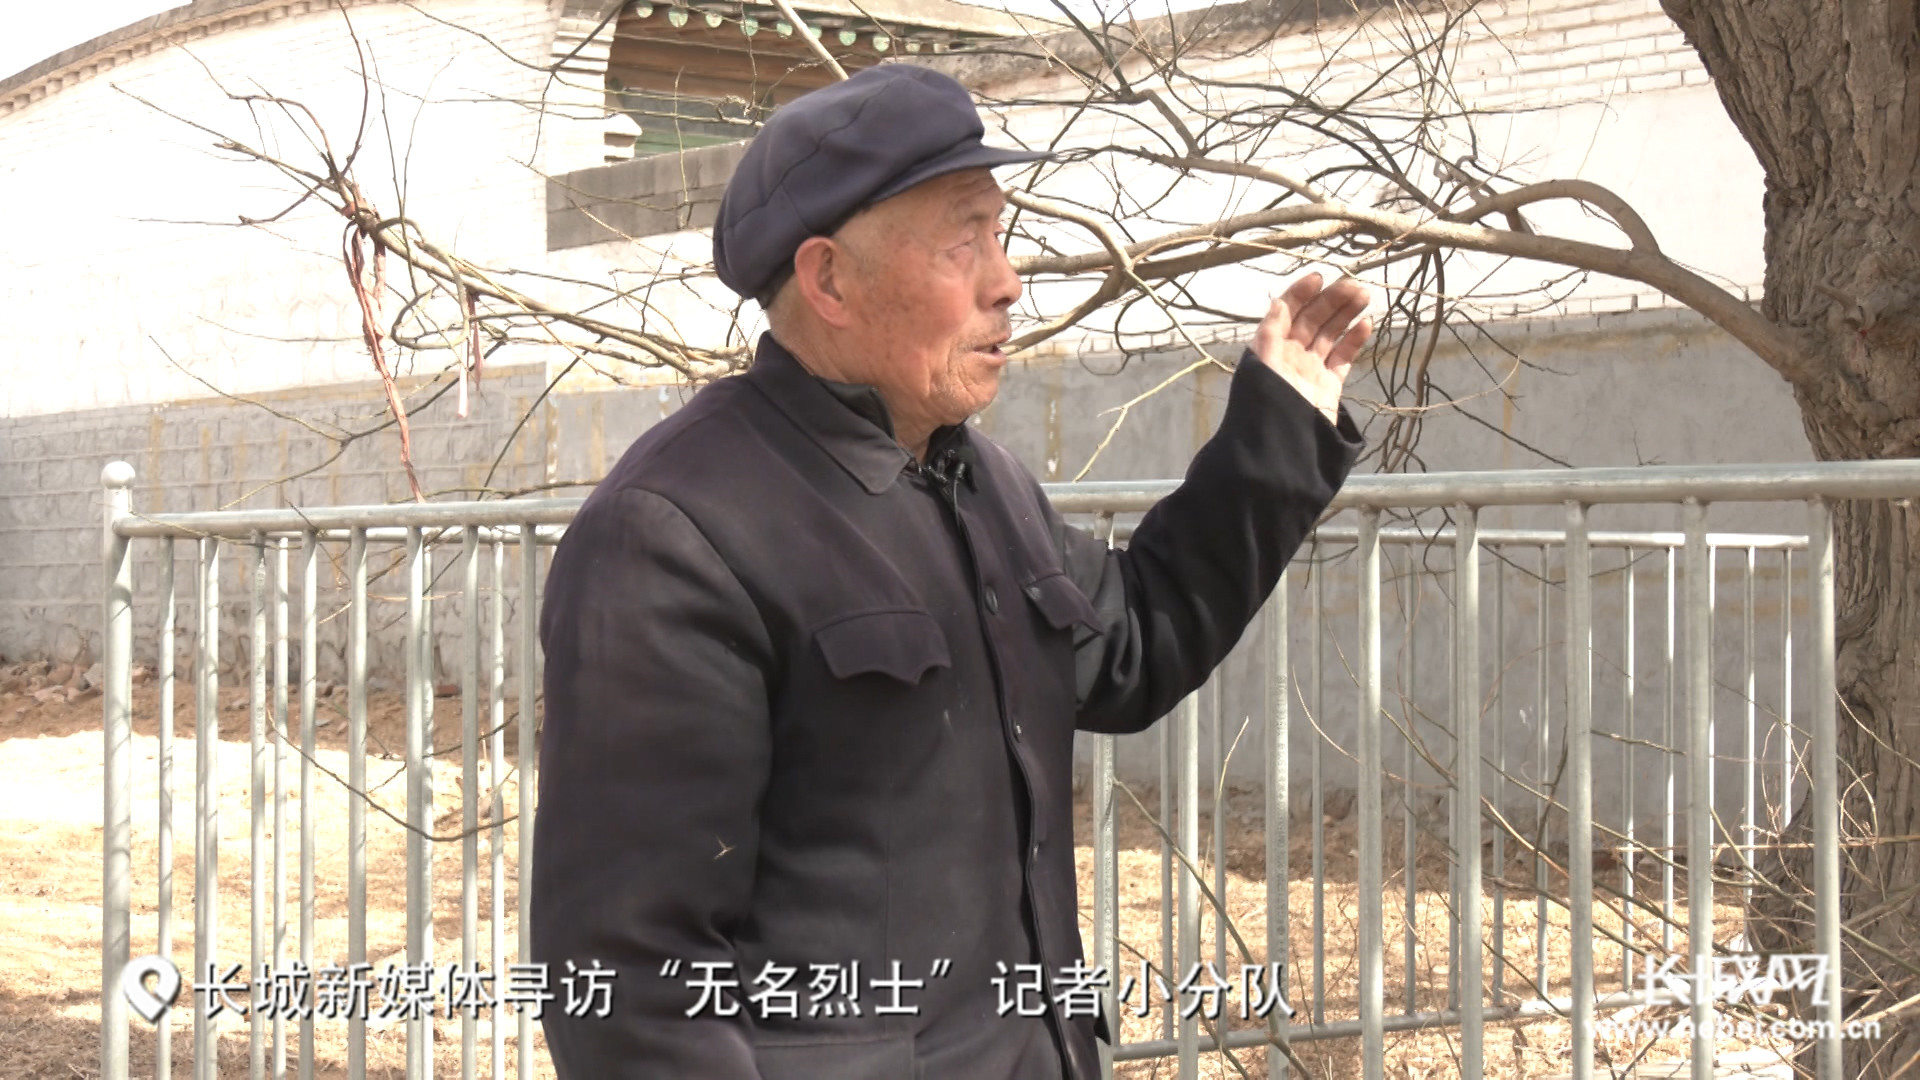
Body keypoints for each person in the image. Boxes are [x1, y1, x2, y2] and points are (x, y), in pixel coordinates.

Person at [530, 64, 1371, 1080]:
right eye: (962, 241)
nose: (1007, 281)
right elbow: (631, 986)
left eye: (1000, 234)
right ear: (830, 280)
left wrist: (1277, 434)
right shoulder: (675, 534)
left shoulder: (978, 482)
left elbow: (1134, 642)